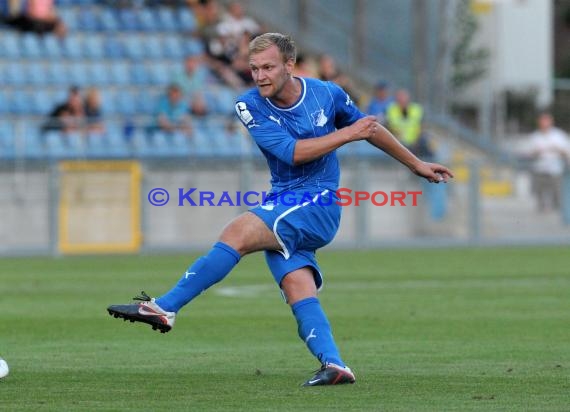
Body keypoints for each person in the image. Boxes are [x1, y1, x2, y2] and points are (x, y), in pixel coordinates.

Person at [107, 33, 453, 387]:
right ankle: (335, 365)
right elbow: (292, 152)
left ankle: (163, 308)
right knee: (297, 288)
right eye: (254, 68)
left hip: (318, 201)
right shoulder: (248, 105)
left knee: (237, 233)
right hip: (286, 201)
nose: (260, 76)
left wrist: (415, 164)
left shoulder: (327, 93)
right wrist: (346, 135)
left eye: (268, 67)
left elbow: (370, 128)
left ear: (290, 65)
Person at [523, 112, 570, 212]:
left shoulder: (559, 135)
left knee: (558, 193)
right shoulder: (535, 137)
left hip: (555, 169)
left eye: (546, 121)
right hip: (539, 168)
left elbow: (566, 152)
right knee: (539, 193)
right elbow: (528, 153)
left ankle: (559, 213)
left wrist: (556, 150)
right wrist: (536, 152)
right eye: (542, 121)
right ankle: (542, 211)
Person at [386, 88, 433, 158]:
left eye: (403, 96)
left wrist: (417, 139)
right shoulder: (391, 109)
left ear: (408, 97)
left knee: (426, 146)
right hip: (398, 142)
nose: (402, 99)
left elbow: (422, 126)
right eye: (399, 97)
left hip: (415, 142)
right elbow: (389, 126)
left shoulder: (417, 109)